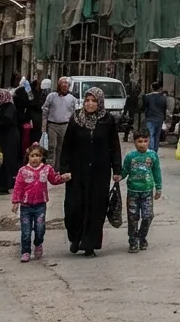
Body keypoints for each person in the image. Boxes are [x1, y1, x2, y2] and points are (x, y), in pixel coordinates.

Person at [57, 87, 123, 257]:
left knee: (96, 208)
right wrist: (64, 169)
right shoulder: (76, 119)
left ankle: (89, 245)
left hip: (100, 172)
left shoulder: (107, 120)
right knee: (74, 207)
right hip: (77, 171)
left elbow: (114, 146)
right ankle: (76, 239)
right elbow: (67, 147)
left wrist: (117, 169)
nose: (90, 104)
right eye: (87, 100)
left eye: (94, 101)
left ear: (100, 102)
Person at [11, 143, 69, 263]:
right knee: (26, 230)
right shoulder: (23, 171)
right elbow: (18, 187)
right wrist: (15, 201)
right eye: (32, 156)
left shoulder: (47, 169)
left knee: (40, 228)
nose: (35, 158)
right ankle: (26, 251)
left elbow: (54, 180)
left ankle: (38, 244)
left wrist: (63, 178)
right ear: (28, 157)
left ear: (42, 157)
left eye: (38, 155)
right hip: (25, 206)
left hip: (40, 205)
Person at [122, 131, 163, 253]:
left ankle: (141, 236)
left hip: (147, 192)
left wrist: (159, 187)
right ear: (134, 142)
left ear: (149, 141)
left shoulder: (153, 156)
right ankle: (133, 241)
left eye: (145, 141)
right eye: (139, 141)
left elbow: (157, 172)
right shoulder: (130, 157)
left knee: (148, 216)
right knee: (133, 217)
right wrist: (119, 176)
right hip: (133, 191)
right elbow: (125, 171)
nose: (142, 144)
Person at [0, 88, 23, 194]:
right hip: (2, 137)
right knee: (1, 160)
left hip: (8, 138)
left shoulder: (8, 106)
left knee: (6, 160)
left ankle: (4, 185)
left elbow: (6, 121)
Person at [42, 78, 78, 168]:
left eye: (66, 85)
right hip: (52, 125)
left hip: (65, 125)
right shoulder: (51, 96)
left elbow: (75, 114)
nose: (64, 87)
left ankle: (59, 167)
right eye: (62, 84)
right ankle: (50, 167)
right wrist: (44, 125)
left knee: (61, 148)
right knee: (51, 146)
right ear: (58, 86)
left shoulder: (72, 99)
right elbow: (45, 110)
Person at [142, 81, 168, 152]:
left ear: (151, 88)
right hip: (160, 118)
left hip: (150, 118)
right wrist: (164, 118)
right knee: (157, 136)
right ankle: (155, 151)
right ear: (159, 88)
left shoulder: (147, 97)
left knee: (151, 135)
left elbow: (144, 107)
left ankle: (151, 151)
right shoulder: (163, 98)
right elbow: (164, 109)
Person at [14, 79, 36, 160]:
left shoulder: (17, 91)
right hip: (24, 119)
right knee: (25, 139)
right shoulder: (28, 92)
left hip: (19, 118)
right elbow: (30, 102)